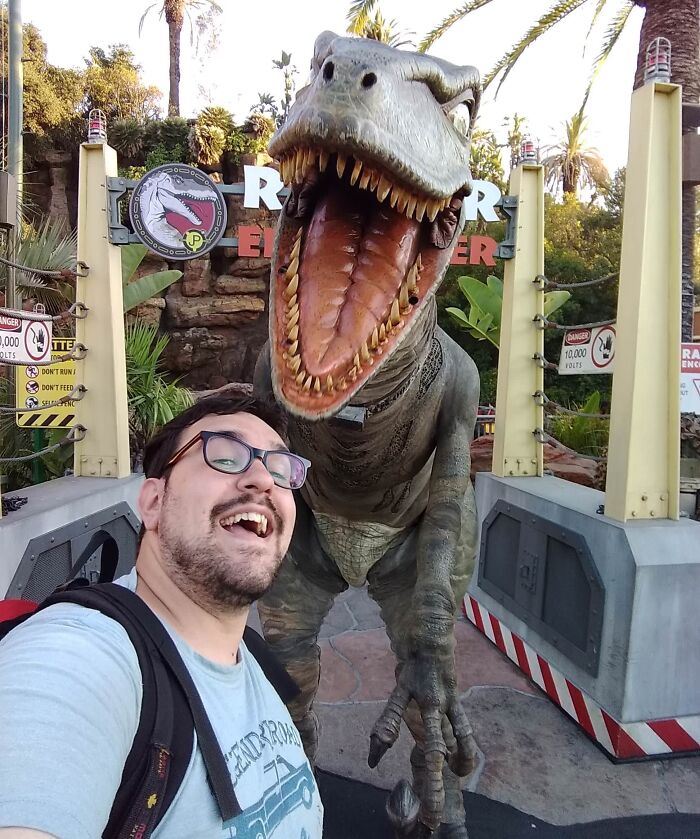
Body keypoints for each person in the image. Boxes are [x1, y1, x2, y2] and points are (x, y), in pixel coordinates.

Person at [0, 394, 323, 839]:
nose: (263, 479)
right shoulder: (81, 656)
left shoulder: (255, 663)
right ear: (152, 502)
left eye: (281, 467)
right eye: (225, 456)